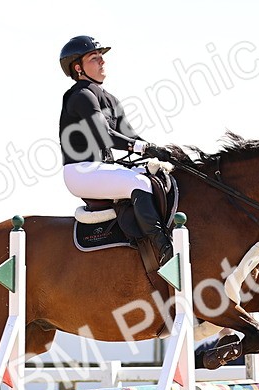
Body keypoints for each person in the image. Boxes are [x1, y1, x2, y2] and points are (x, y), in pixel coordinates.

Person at [57, 35, 173, 264]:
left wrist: (156, 150)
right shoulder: (80, 95)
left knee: (155, 176)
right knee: (139, 183)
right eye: (94, 57)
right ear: (78, 68)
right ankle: (163, 250)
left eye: (102, 57)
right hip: (81, 171)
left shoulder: (109, 99)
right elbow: (104, 135)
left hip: (101, 168)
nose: (102, 62)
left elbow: (129, 136)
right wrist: (143, 147)